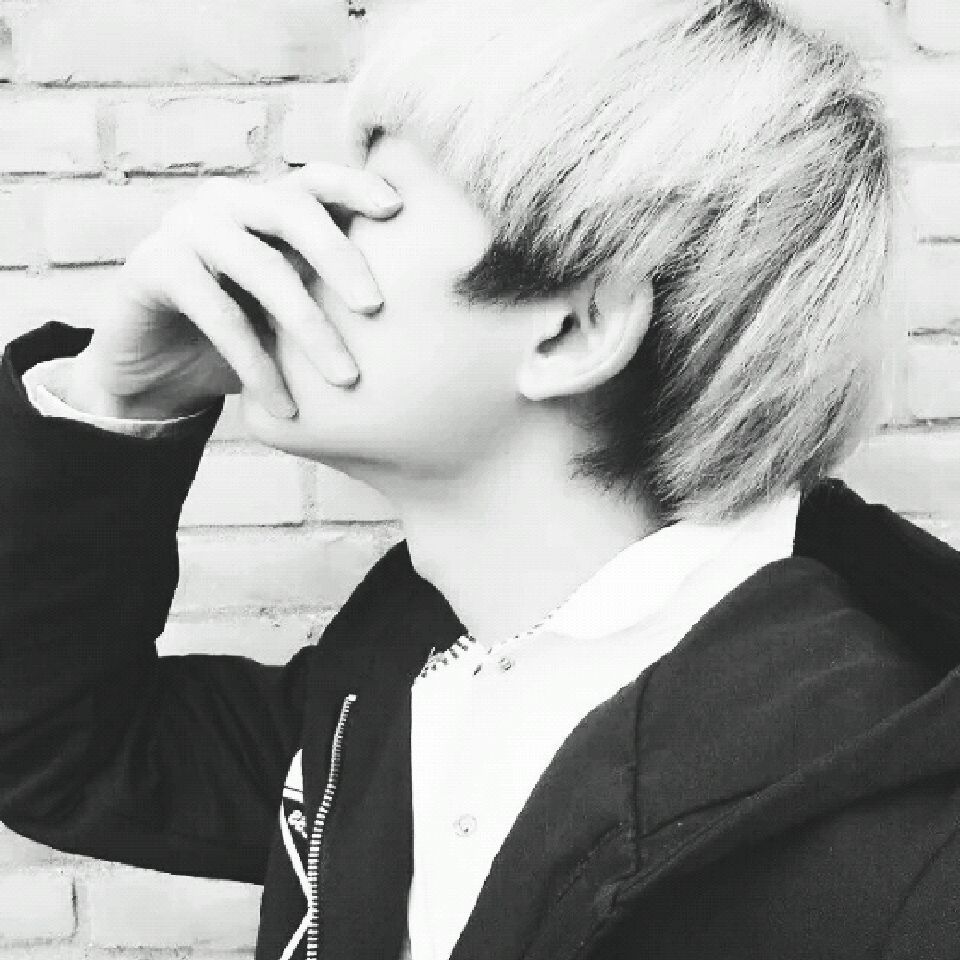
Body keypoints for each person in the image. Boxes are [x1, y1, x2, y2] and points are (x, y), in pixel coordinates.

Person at [1, 0, 958, 957]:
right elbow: (63, 751)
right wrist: (117, 397)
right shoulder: (410, 659)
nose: (288, 238)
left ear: (574, 328)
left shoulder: (900, 871)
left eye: (372, 200)